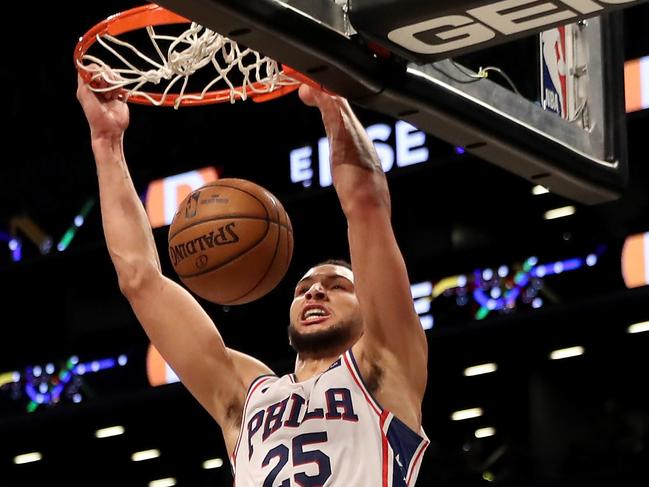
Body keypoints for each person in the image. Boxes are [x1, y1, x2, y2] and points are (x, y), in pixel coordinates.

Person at [77, 73, 429, 486]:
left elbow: (367, 204)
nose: (315, 289)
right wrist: (106, 142)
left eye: (339, 286)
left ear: (369, 309)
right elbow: (140, 279)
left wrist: (332, 99)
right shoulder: (249, 396)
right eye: (303, 289)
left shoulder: (385, 369)